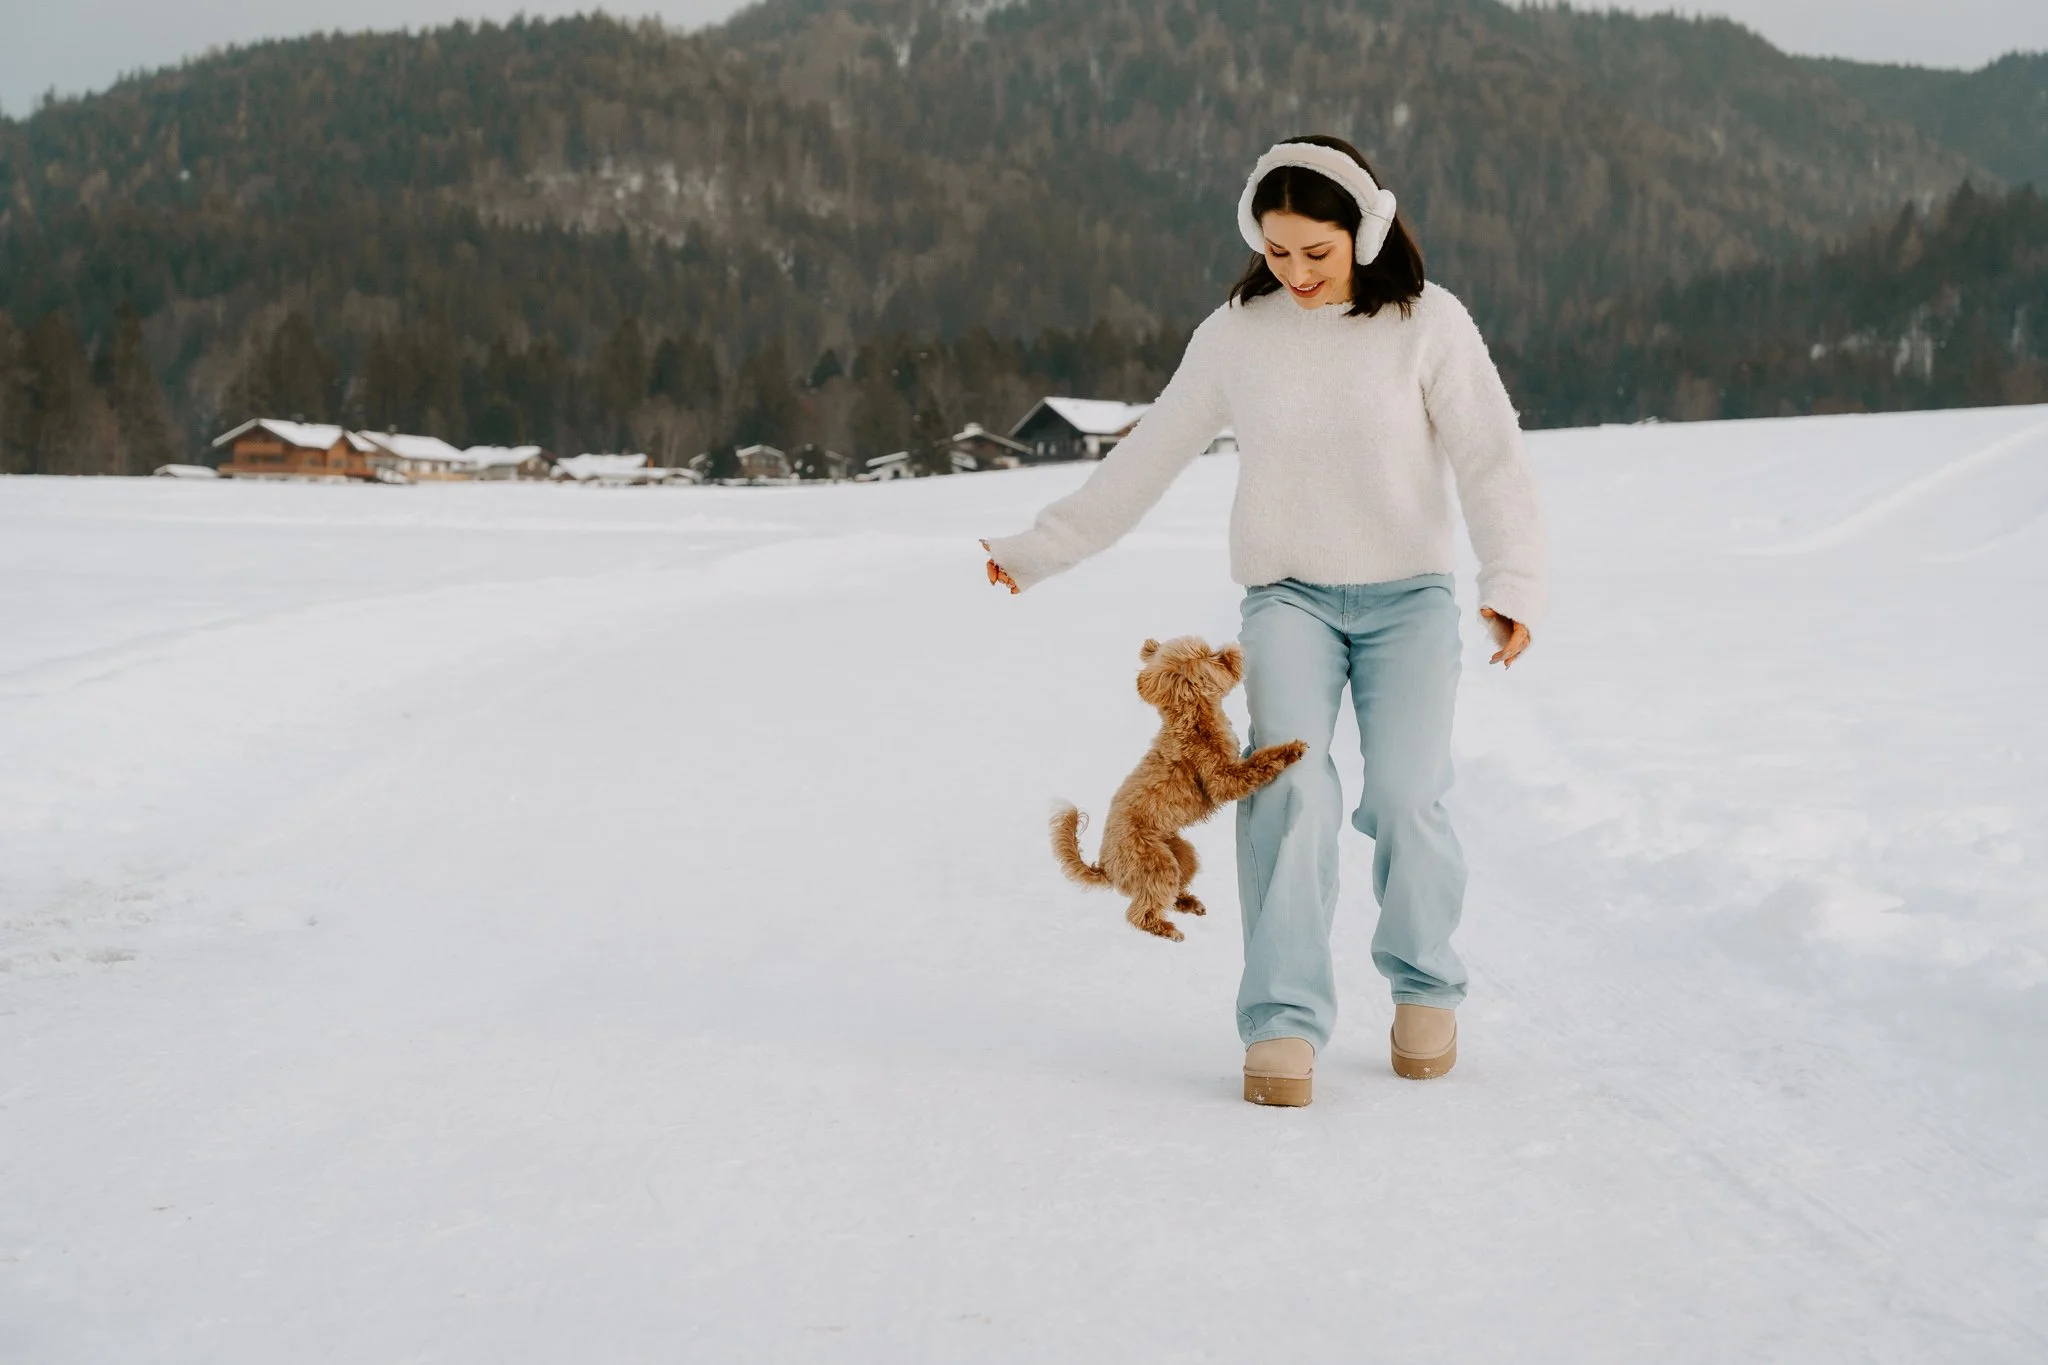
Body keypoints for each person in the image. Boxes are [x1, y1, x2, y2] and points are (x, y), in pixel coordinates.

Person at [979, 135, 1549, 1107]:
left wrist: (1511, 584)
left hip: (1407, 597)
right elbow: (1150, 453)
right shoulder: (1236, 334)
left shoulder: (1426, 323)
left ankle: (1423, 985)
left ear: (1364, 232)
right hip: (1286, 598)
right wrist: (1040, 549)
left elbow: (1490, 458)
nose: (1293, 273)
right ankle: (1282, 1019)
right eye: (1275, 251)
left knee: (1407, 796)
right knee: (1288, 789)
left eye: (1314, 254)